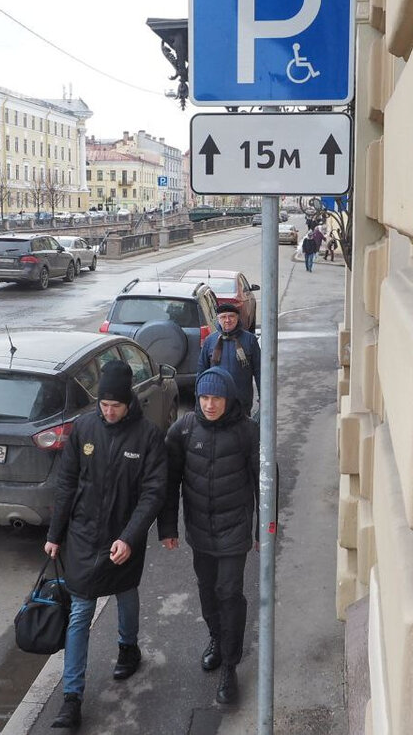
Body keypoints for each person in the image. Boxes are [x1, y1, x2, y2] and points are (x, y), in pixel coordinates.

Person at [44, 360, 168, 730]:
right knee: (80, 613)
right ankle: (71, 698)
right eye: (103, 405)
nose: (108, 412)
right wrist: (54, 534)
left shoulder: (147, 436)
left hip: (123, 535)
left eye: (115, 405)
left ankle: (128, 648)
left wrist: (130, 537)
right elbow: (66, 484)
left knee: (126, 593)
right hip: (83, 536)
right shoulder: (83, 428)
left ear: (128, 402)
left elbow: (153, 492)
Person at [160, 367, 260, 705]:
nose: (209, 404)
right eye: (203, 397)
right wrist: (168, 528)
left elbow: (265, 477)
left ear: (228, 398)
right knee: (207, 591)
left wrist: (265, 528)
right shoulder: (184, 430)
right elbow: (168, 481)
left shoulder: (247, 431)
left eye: (216, 398)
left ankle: (230, 666)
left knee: (229, 592)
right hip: (200, 530)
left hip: (234, 530)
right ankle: (216, 640)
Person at [197, 303, 261, 416]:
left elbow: (259, 371)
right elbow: (202, 372)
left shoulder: (249, 340)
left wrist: (263, 398)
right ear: (218, 319)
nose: (227, 320)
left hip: (242, 402)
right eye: (223, 317)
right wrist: (199, 399)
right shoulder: (210, 341)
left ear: (237, 318)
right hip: (217, 401)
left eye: (231, 316)